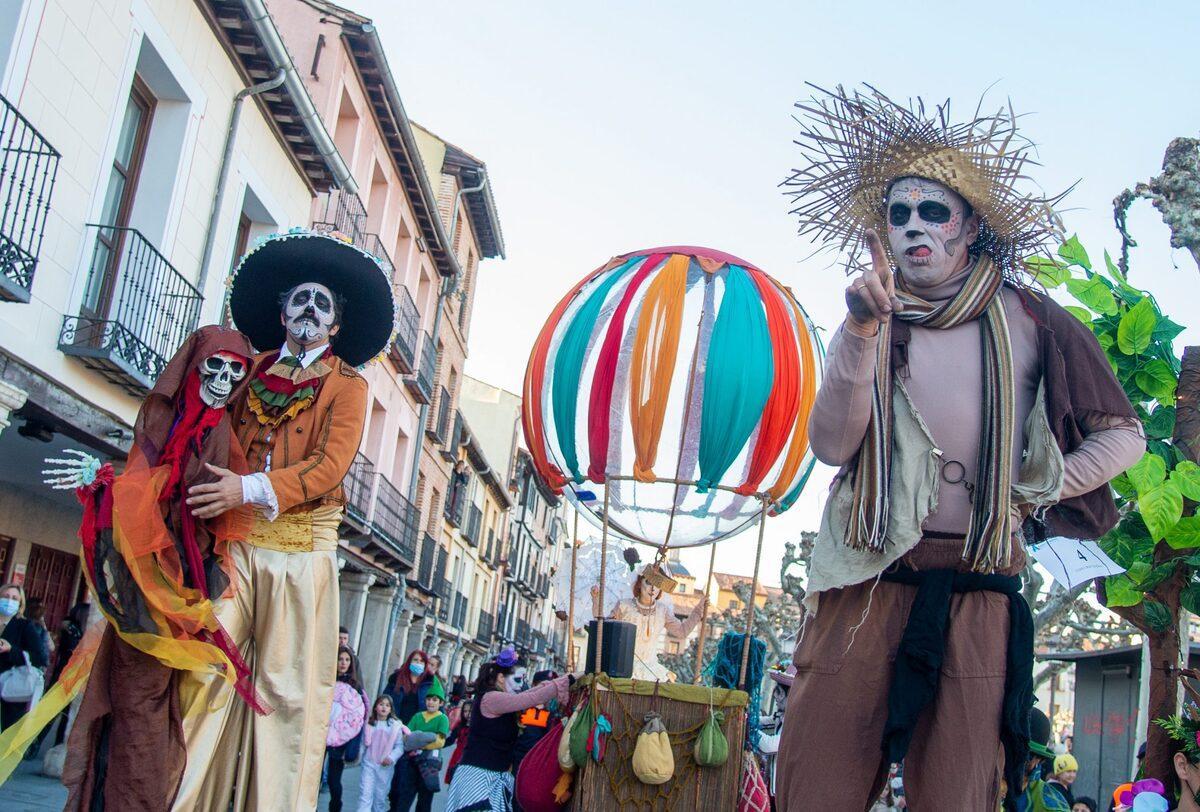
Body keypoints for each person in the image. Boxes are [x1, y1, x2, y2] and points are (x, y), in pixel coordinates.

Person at [775, 86, 1145, 810]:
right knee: (817, 784)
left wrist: (1035, 486)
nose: (916, 226)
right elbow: (829, 444)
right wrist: (859, 333)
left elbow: (1123, 435)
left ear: (970, 225)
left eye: (933, 211)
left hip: (979, 583)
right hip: (866, 577)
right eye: (899, 213)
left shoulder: (1035, 319)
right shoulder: (868, 317)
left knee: (957, 794)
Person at [173, 229, 394, 811]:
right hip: (239, 547)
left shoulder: (348, 387)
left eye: (323, 305)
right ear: (283, 311)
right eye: (301, 299)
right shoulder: (248, 370)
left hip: (300, 558)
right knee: (208, 667)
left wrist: (245, 487)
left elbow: (329, 466)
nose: (310, 312)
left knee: (284, 695)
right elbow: (208, 431)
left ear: (335, 327)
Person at [36, 325, 257, 809]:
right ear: (192, 369)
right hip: (145, 590)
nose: (222, 379)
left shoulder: (217, 433)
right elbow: (151, 483)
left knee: (146, 707)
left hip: (177, 594)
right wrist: (106, 483)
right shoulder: (167, 421)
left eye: (235, 372)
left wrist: (111, 485)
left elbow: (192, 503)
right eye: (213, 367)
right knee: (126, 698)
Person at [444, 648, 571, 812]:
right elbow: (529, 698)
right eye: (518, 679)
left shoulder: (501, 698)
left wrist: (552, 684)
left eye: (524, 679)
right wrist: (568, 680)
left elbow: (529, 694)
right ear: (501, 678)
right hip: (478, 778)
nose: (521, 684)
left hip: (493, 777)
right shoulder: (492, 698)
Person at [605, 560, 705, 681]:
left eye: (657, 585)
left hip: (651, 668)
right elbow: (605, 630)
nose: (653, 589)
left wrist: (699, 610)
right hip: (623, 667)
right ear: (639, 583)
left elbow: (682, 632)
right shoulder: (623, 606)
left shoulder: (663, 611)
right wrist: (596, 603)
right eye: (648, 582)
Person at [394, 678, 451, 812]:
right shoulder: (418, 716)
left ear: (441, 702)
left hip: (429, 763)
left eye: (435, 700)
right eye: (429, 699)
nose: (431, 702)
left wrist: (418, 744)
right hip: (411, 761)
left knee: (425, 799)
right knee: (405, 795)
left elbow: (439, 741)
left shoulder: (442, 718)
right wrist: (420, 740)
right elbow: (407, 735)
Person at [0, 584, 48, 730]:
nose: (9, 601)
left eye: (14, 598)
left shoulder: (24, 626)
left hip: (9, 691)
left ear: (20, 604)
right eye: (6, 597)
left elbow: (40, 658)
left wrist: (11, 650)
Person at [327, 646, 368, 812]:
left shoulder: (355, 685)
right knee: (312, 776)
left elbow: (358, 713)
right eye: (340, 659)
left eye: (346, 660)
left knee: (333, 779)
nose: (343, 663)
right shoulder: (326, 680)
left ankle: (335, 807)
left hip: (340, 737)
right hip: (320, 732)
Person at [358, 695, 408, 812]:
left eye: (387, 705)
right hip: (369, 764)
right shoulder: (370, 725)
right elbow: (363, 744)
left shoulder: (394, 727)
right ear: (375, 707)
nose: (384, 708)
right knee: (365, 793)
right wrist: (359, 757)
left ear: (391, 709)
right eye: (381, 704)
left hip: (385, 767)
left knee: (380, 797)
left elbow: (399, 747)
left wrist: (391, 758)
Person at [511, 670, 557, 782]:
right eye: (542, 685)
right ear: (533, 685)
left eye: (548, 687)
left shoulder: (552, 715)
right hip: (518, 760)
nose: (545, 690)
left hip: (537, 762)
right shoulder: (521, 708)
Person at [444, 697, 473, 787]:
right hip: (457, 755)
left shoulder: (477, 727)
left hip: (470, 758)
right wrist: (439, 743)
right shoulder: (460, 725)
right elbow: (451, 739)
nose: (468, 714)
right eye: (465, 711)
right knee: (453, 781)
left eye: (470, 711)